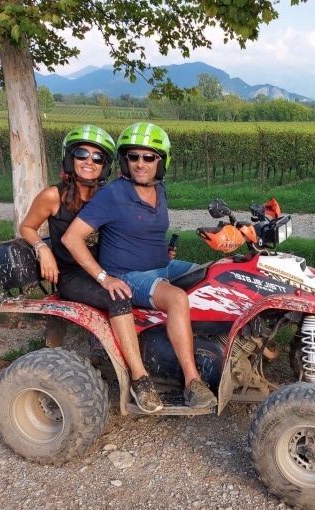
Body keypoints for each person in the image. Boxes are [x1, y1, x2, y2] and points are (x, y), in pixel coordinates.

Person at [61, 122, 217, 409]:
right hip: (129, 274)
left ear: (161, 162)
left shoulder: (160, 189)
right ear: (125, 160)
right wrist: (104, 277)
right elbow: (71, 238)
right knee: (177, 298)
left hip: (162, 266)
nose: (140, 164)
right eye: (133, 157)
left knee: (216, 274)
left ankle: (214, 349)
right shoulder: (113, 194)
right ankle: (192, 382)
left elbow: (146, 232)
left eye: (148, 157)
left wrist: (163, 251)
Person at [19, 124, 164, 413]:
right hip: (74, 275)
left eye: (98, 157)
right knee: (118, 297)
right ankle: (140, 379)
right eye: (82, 154)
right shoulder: (53, 196)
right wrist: (43, 249)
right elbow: (27, 227)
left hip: (108, 268)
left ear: (105, 165)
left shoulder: (109, 194)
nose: (89, 161)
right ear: (69, 158)